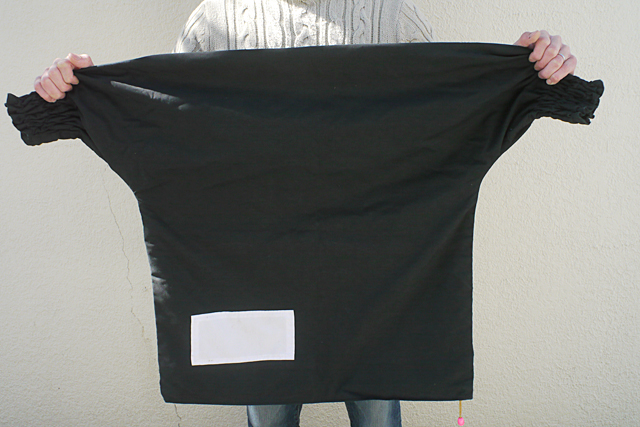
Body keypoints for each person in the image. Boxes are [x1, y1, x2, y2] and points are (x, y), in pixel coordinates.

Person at [32, 1, 578, 426]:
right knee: (268, 412)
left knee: (378, 412)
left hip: (378, 276)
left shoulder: (389, 13)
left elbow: (442, 110)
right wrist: (88, 95)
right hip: (251, 272)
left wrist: (515, 74)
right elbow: (174, 128)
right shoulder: (217, 18)